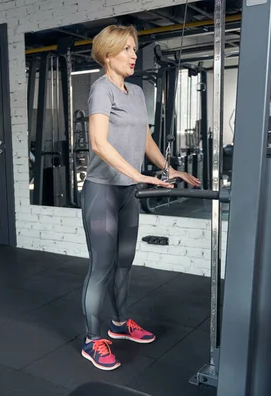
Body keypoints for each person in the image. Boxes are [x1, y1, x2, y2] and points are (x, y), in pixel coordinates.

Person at [80, 24, 200, 371]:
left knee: (124, 263)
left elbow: (144, 139)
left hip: (128, 194)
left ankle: (119, 324)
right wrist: (136, 174)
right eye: (128, 49)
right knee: (101, 267)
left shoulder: (135, 92)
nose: (134, 55)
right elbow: (99, 143)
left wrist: (168, 167)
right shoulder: (102, 91)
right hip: (101, 191)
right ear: (108, 54)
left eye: (135, 49)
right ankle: (92, 340)